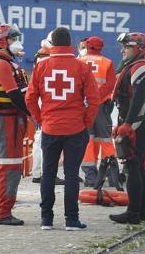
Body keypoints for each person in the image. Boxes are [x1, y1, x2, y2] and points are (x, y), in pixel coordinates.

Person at [26, 27, 100, 231]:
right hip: (75, 128)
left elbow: (30, 98)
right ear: (69, 43)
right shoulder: (81, 67)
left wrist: (41, 119)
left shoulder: (41, 66)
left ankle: (46, 220)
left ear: (52, 44)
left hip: (50, 127)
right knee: (71, 175)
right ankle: (71, 220)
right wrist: (85, 122)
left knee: (48, 174)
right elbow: (94, 100)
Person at [109, 32, 145, 224]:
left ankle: (133, 213)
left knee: (133, 166)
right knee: (138, 166)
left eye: (127, 46)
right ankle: (143, 212)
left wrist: (128, 124)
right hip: (143, 121)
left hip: (138, 122)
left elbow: (138, 98)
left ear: (138, 48)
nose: (123, 50)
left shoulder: (140, 67)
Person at [0, 24, 30, 226]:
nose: (17, 41)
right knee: (7, 166)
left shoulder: (7, 63)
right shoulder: (1, 64)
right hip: (4, 120)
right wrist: (34, 114)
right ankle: (4, 212)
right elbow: (15, 96)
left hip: (6, 119)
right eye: (13, 38)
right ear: (3, 41)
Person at [77, 36, 118, 187]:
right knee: (106, 139)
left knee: (88, 140)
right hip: (101, 106)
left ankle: (90, 176)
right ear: (101, 47)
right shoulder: (107, 63)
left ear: (87, 46)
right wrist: (97, 99)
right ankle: (112, 177)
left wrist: (86, 100)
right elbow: (111, 85)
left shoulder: (79, 61)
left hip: (83, 106)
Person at [30, 36, 64, 185]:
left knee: (39, 139)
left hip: (43, 99)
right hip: (46, 100)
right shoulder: (46, 58)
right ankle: (41, 173)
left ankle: (37, 172)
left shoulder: (41, 56)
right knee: (42, 139)